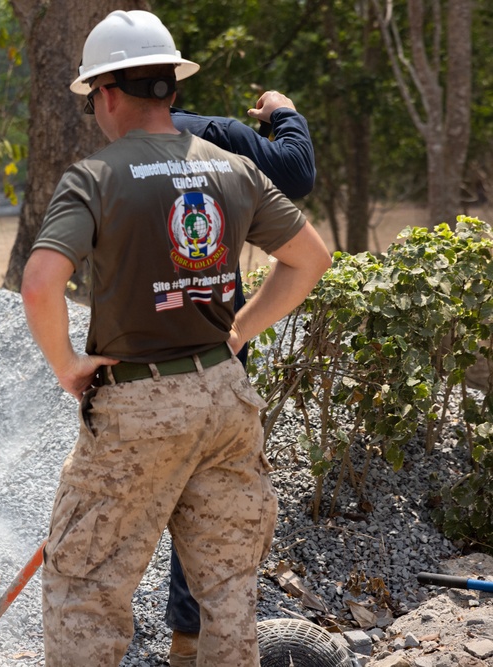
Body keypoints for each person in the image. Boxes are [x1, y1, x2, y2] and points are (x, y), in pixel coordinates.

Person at [20, 9, 331, 667]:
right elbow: (310, 257)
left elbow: (41, 283)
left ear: (106, 93)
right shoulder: (232, 168)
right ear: (172, 86)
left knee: (85, 586)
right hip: (224, 396)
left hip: (139, 402)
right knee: (227, 588)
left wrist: (68, 366)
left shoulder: (95, 177)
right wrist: (240, 331)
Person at [165, 91, 317, 664]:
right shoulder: (219, 139)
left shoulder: (111, 158)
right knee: (210, 503)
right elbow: (298, 178)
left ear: (105, 96)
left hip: (136, 369)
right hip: (215, 357)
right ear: (173, 87)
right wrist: (283, 114)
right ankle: (189, 640)